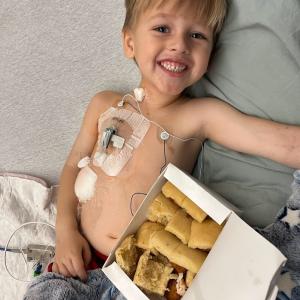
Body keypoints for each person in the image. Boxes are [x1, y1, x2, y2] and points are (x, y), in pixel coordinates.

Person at [24, 0, 300, 299]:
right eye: (162, 28)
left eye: (197, 36)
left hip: (144, 277)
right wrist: (65, 230)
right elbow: (72, 166)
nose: (179, 44)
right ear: (130, 43)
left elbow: (278, 142)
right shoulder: (104, 104)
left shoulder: (198, 116)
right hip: (78, 264)